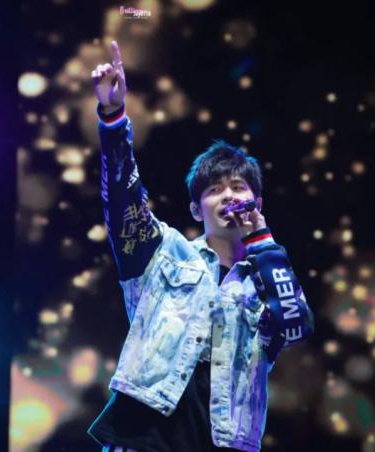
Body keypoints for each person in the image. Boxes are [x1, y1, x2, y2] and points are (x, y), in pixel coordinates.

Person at [86, 41, 314, 452]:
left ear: (258, 203)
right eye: (214, 190)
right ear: (196, 208)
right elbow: (123, 202)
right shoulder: (164, 252)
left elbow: (296, 326)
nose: (229, 196)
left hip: (225, 441)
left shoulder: (266, 278)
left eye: (239, 187)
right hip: (145, 435)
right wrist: (114, 118)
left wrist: (263, 242)